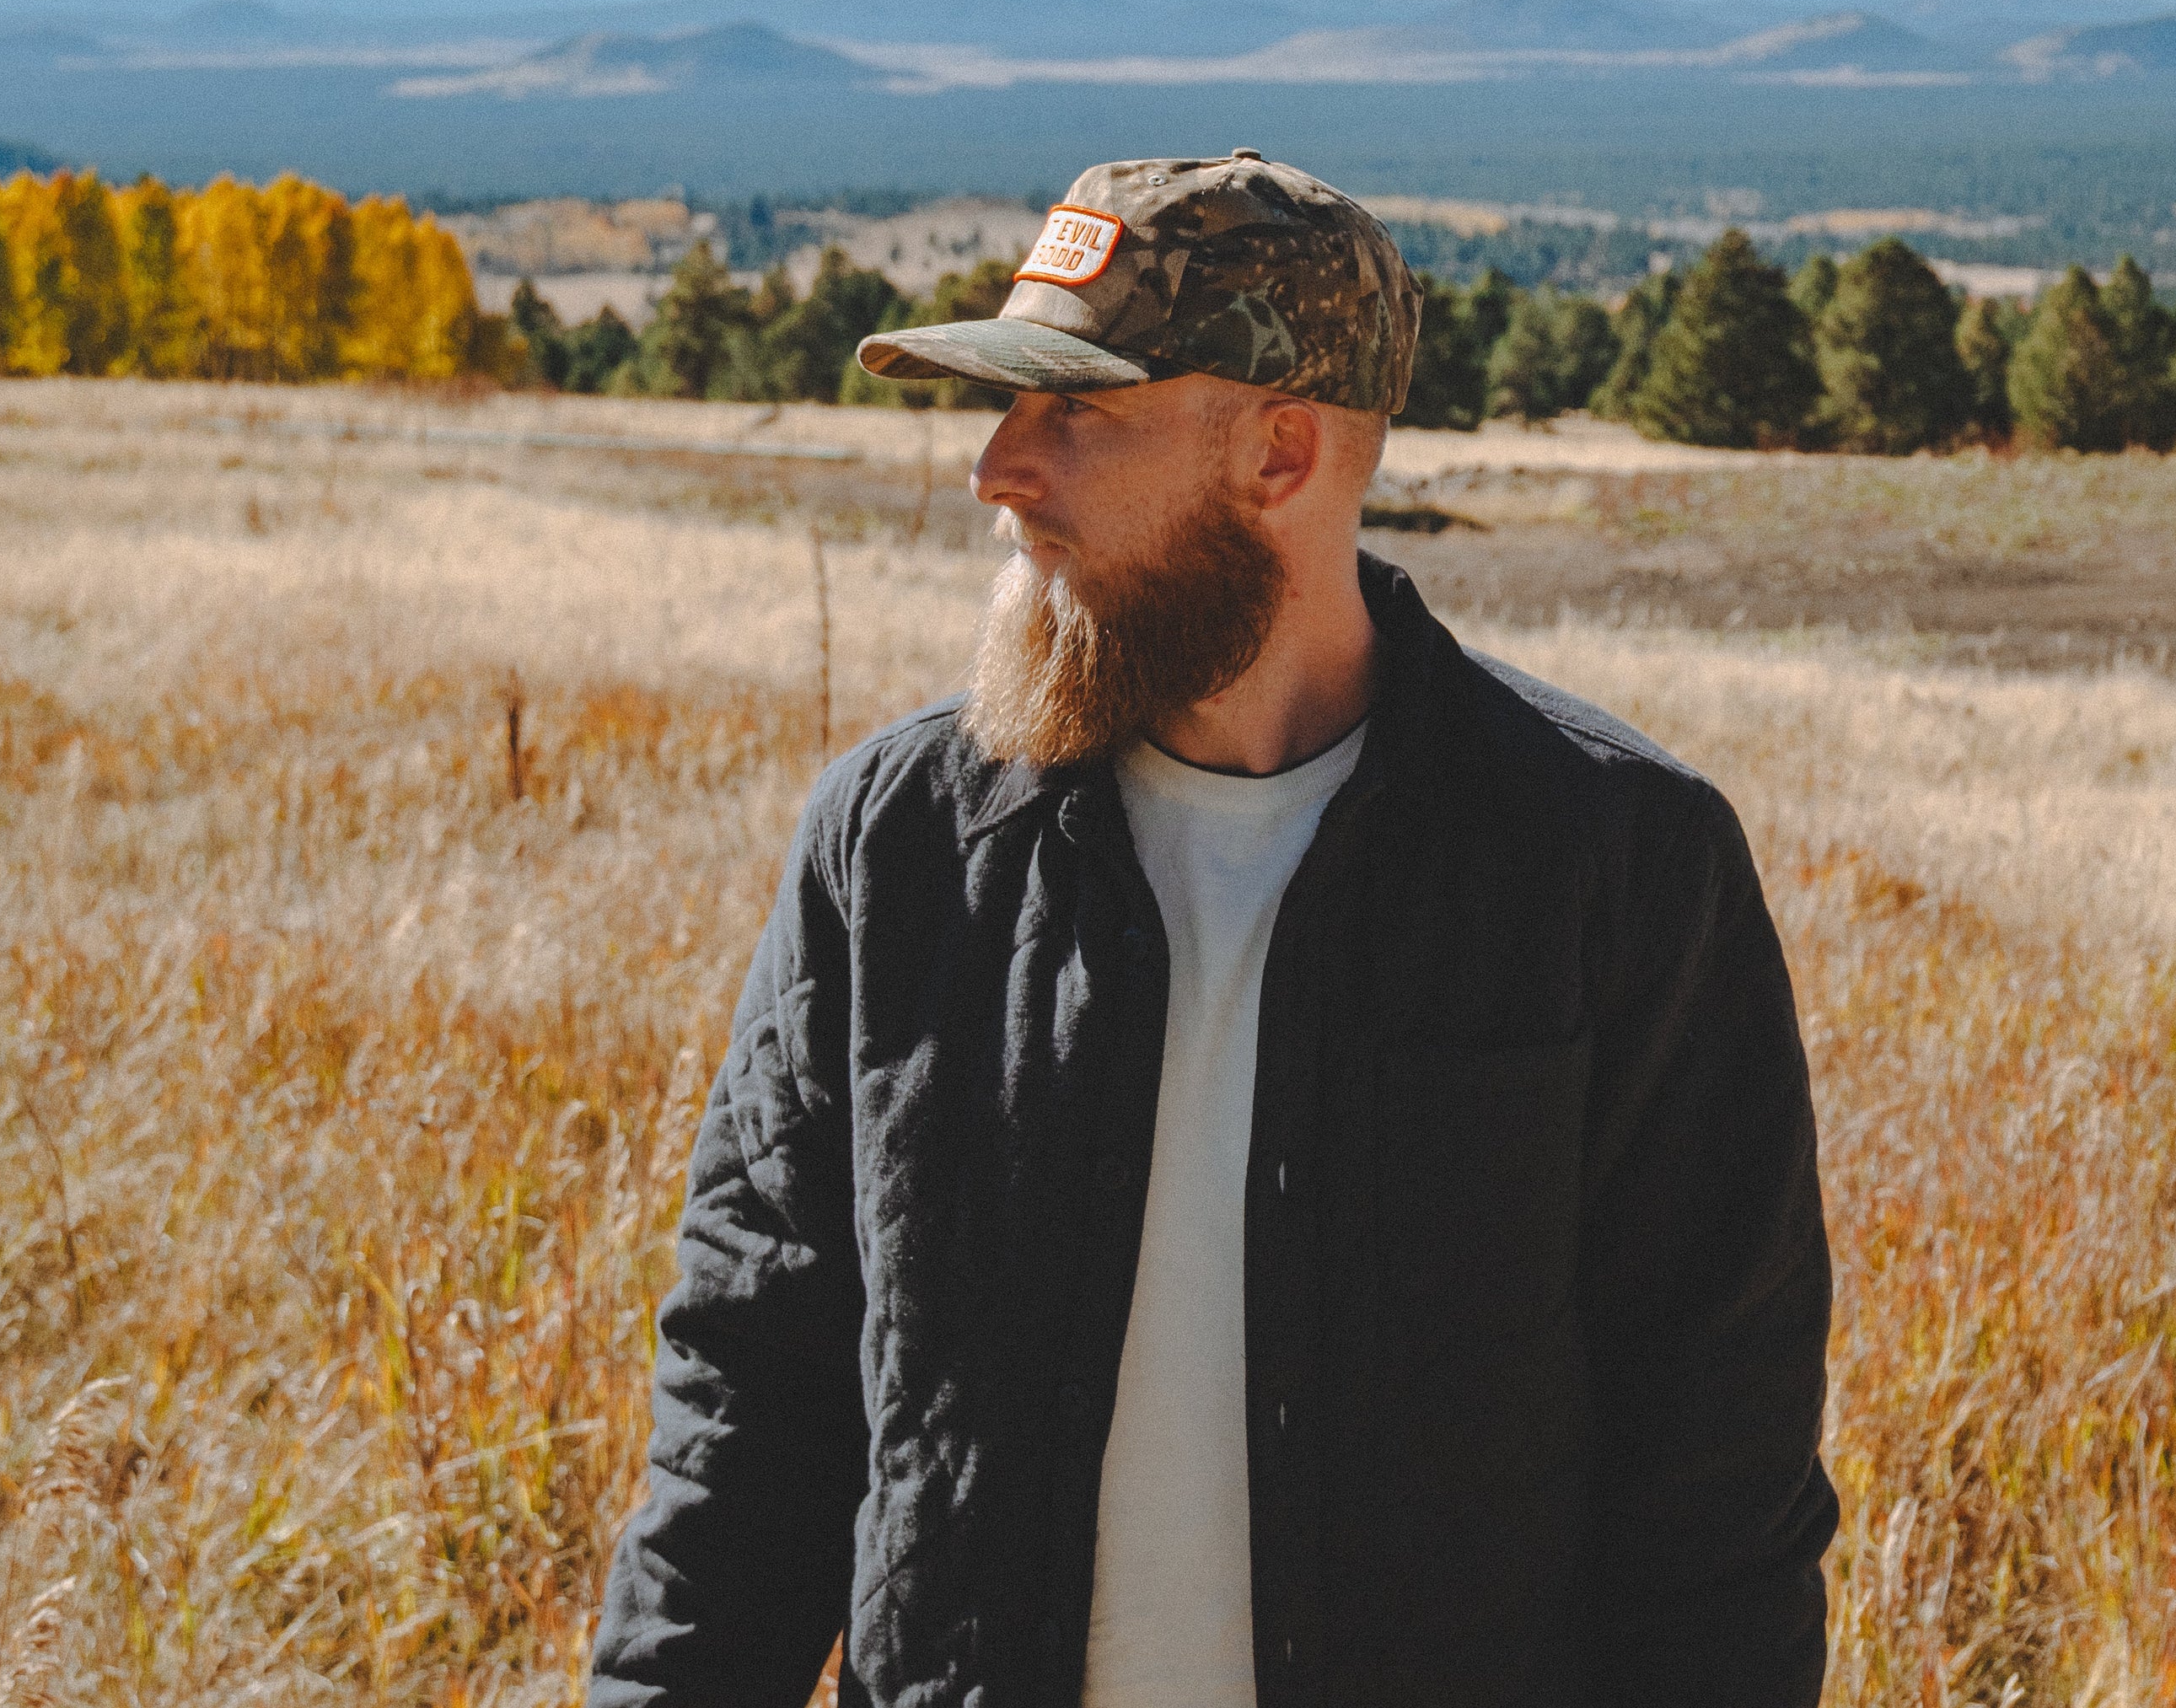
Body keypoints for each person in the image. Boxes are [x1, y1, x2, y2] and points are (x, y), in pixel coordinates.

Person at [590, 151, 1836, 1707]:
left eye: (1076, 411)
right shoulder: (895, 846)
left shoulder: (1616, 868)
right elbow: (747, 1411)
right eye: (1003, 406)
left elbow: (1715, 1512)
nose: (996, 470)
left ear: (1282, 452)